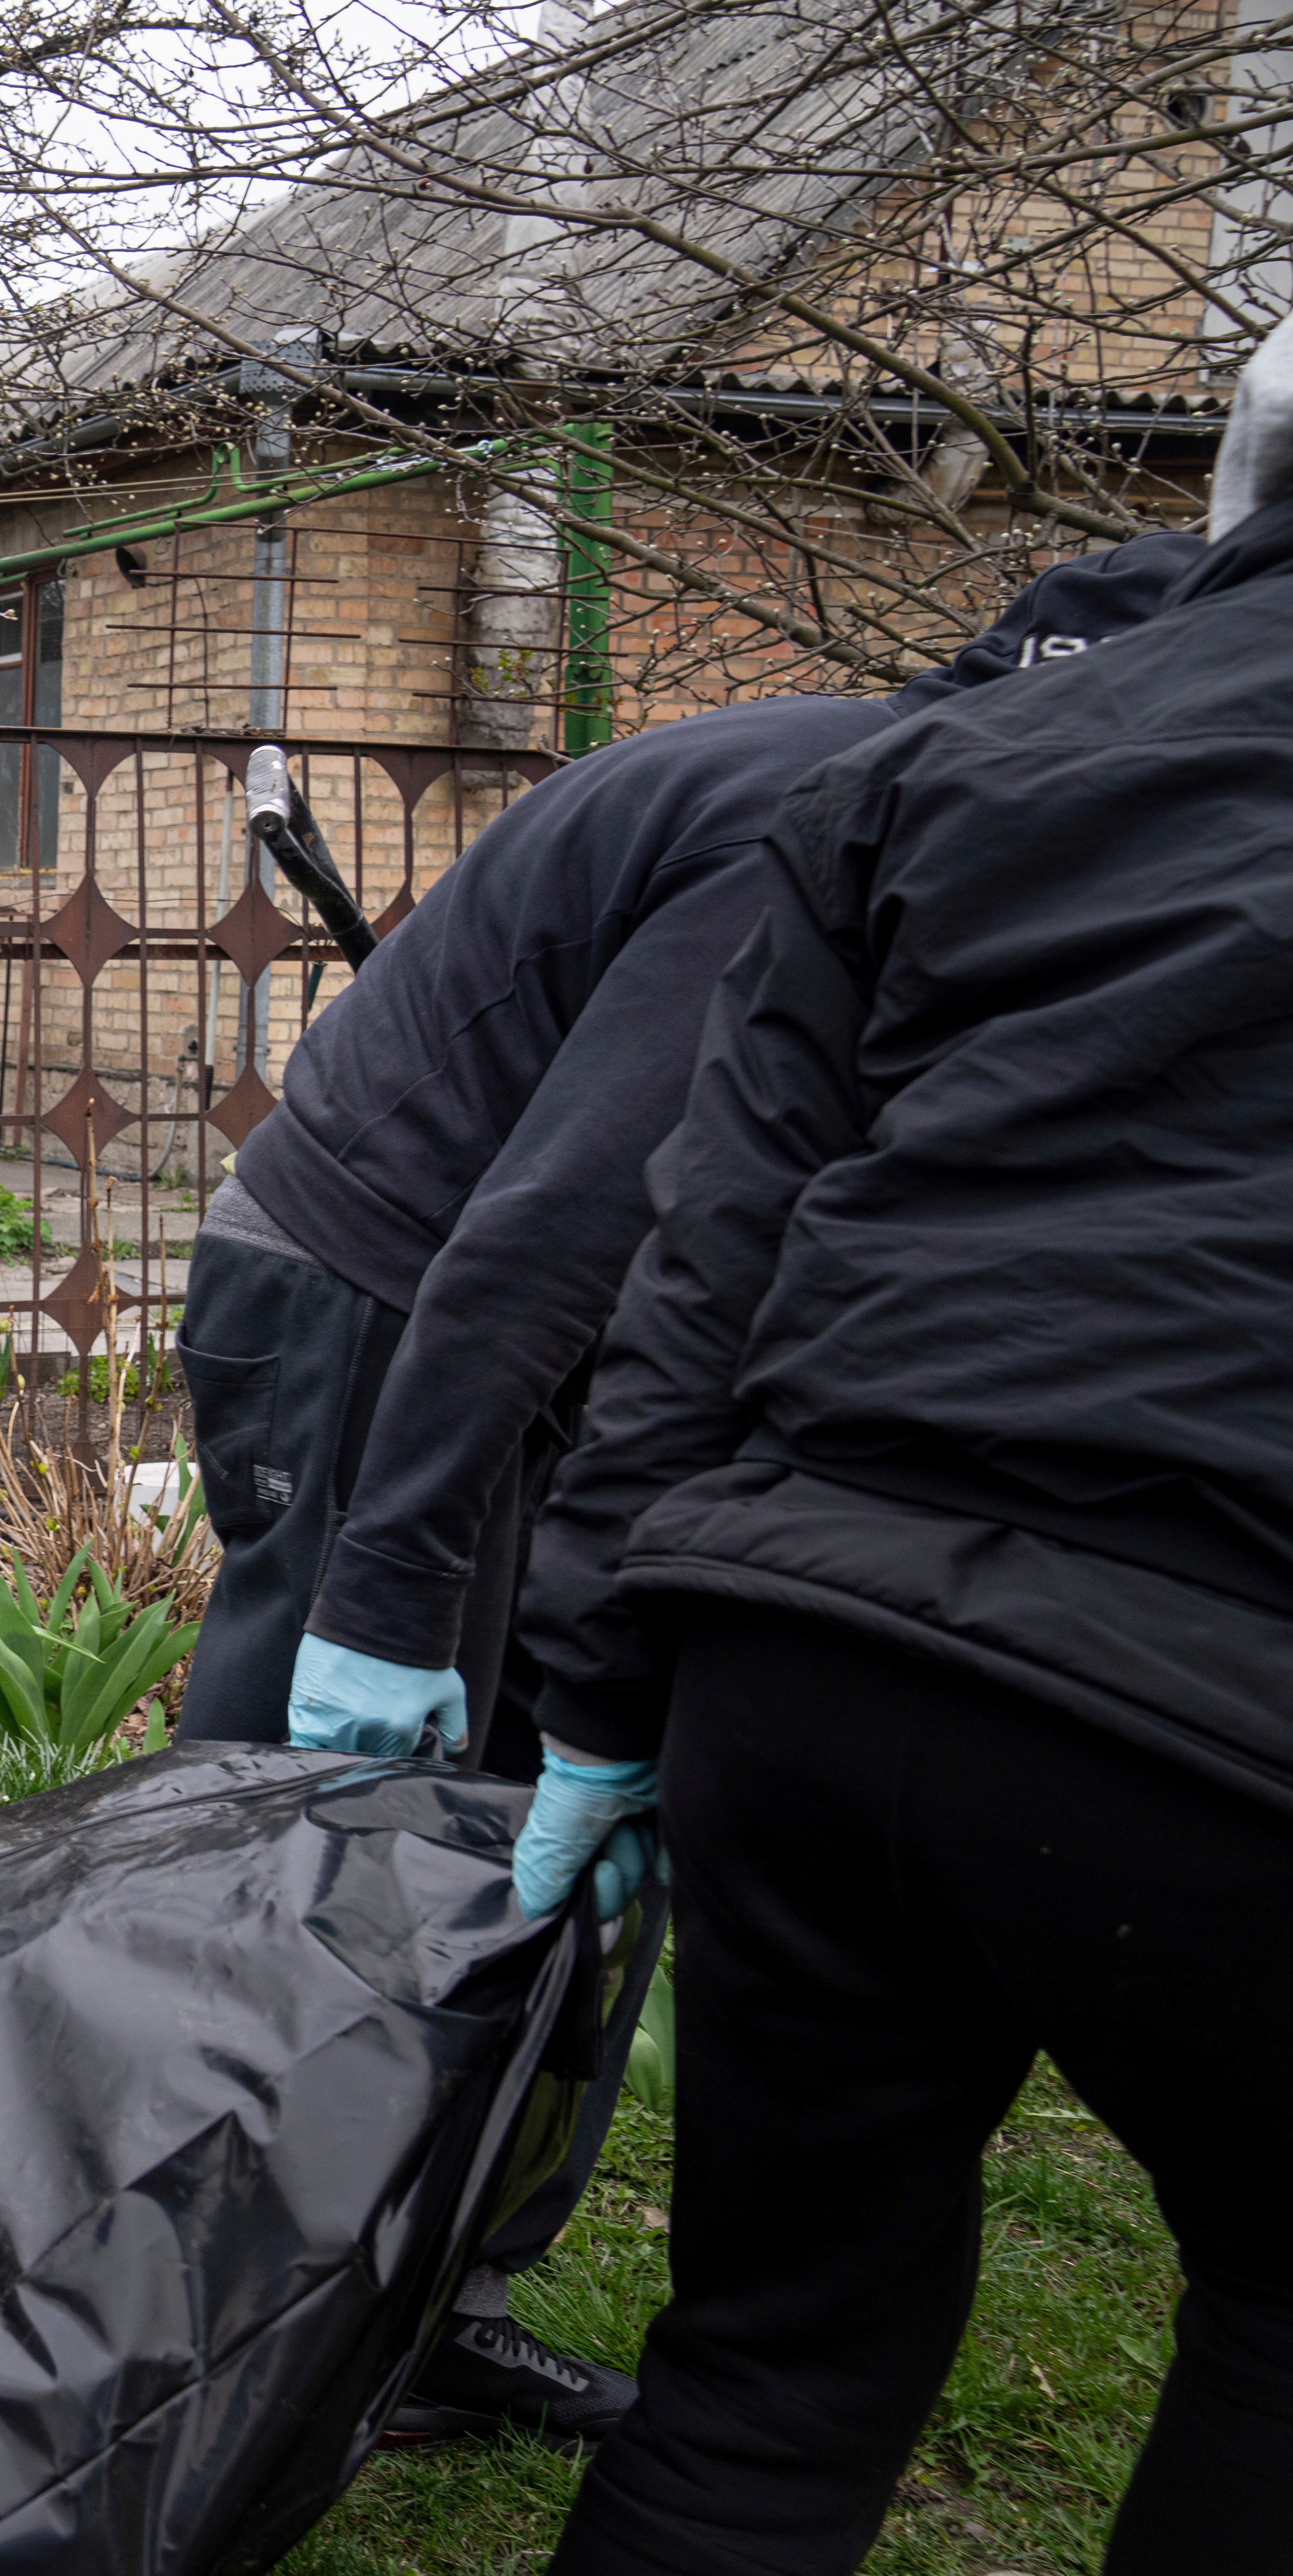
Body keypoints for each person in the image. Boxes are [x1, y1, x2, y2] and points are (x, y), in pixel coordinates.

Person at [172, 527, 1201, 2443]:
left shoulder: (921, 800)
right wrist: (388, 1593)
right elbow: (544, 1231)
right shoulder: (830, 819)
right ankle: (175, 2312)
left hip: (526, 1333)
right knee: (305, 1841)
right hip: (384, 1304)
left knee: (521, 1824)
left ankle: (420, 2301)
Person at [509, 330, 1293, 2572]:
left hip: (816, 1663)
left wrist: (599, 1690)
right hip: (1228, 1714)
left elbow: (710, 1245)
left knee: (767, 2349)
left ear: (1222, 499)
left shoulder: (954, 764)